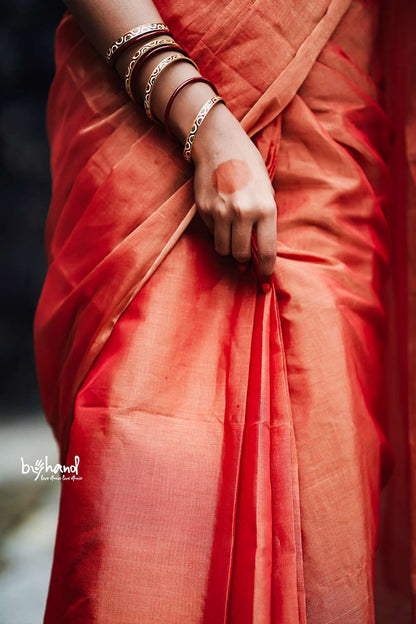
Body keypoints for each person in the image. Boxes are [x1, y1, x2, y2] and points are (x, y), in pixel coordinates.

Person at [33, 0, 416, 621]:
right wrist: (200, 117)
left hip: (326, 136)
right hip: (142, 111)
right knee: (141, 489)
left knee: (321, 486)